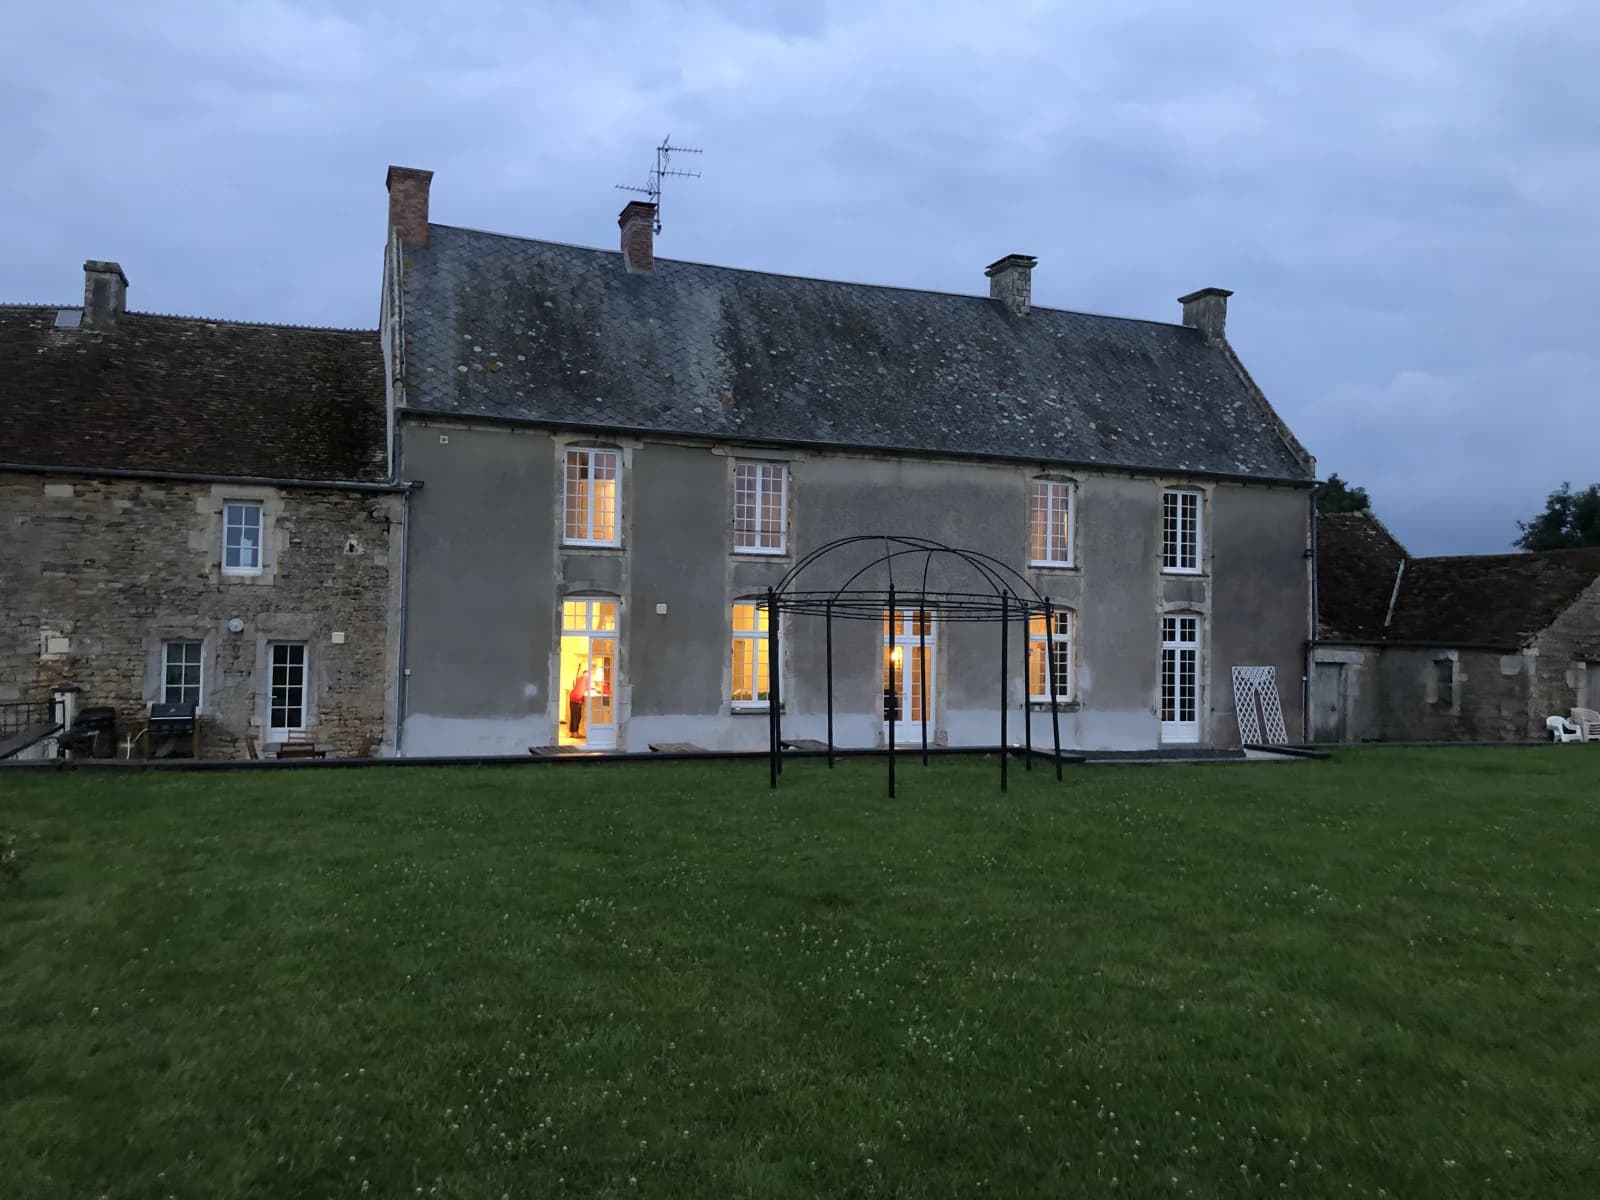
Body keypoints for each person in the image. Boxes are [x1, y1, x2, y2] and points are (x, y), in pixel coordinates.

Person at [568, 666, 589, 737]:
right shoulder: (587, 678)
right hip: (577, 698)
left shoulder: (579, 678)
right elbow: (589, 688)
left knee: (573, 716)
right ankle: (576, 733)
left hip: (572, 697)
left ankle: (572, 732)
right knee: (577, 717)